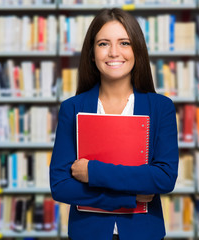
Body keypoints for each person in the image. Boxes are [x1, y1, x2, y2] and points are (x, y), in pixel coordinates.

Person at [50, 8, 179, 240]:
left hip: (143, 233)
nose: (113, 53)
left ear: (137, 50)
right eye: (103, 44)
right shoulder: (72, 108)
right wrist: (127, 197)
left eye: (124, 43)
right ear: (92, 53)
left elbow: (164, 178)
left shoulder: (161, 108)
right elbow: (60, 186)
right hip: (88, 233)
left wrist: (92, 171)